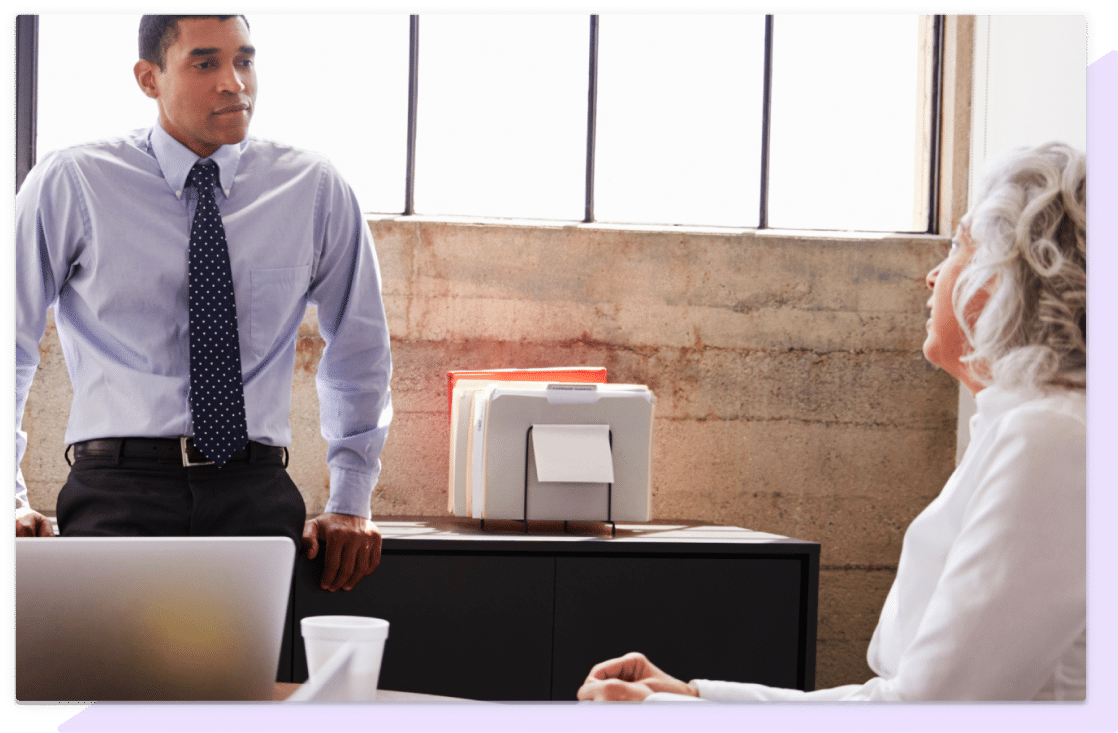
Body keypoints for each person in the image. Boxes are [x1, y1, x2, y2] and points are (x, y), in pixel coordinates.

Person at [577, 141, 1087, 702]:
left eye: (960, 244)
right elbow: (900, 695)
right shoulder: (1024, 427)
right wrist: (695, 697)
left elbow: (927, 712)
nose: (933, 274)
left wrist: (681, 714)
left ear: (1010, 274)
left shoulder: (1053, 438)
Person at [12, 13, 393, 593]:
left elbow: (359, 350)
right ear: (149, 78)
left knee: (243, 684)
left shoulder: (313, 187)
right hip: (119, 491)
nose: (234, 82)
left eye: (244, 60)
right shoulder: (75, 181)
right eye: (206, 62)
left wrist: (352, 499)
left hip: (253, 494)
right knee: (113, 680)